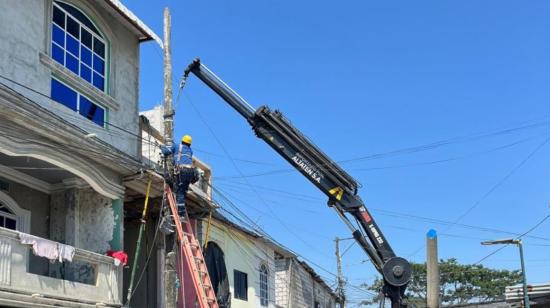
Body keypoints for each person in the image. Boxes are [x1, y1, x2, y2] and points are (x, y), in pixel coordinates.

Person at [161, 135, 198, 219]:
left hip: (182, 171)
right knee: (183, 191)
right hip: (190, 172)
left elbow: (166, 152)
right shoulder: (190, 150)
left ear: (182, 141)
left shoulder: (176, 146)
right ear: (189, 144)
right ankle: (181, 211)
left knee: (180, 192)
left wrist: (162, 147)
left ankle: (181, 214)